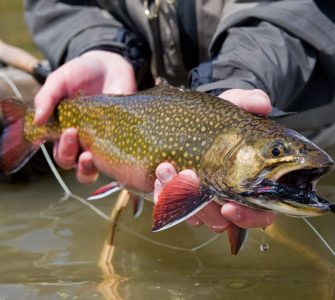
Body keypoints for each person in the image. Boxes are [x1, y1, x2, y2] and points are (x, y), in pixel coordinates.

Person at [24, 0, 335, 232]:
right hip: (134, 90)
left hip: (273, 87)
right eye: (275, 152)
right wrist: (96, 46)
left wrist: (238, 78)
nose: (276, 154)